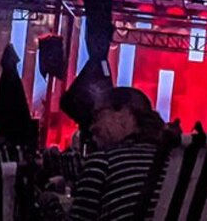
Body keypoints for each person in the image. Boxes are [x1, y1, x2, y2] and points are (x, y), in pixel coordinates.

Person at [68, 87, 166, 221]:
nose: (92, 127)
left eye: (97, 116)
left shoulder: (103, 163)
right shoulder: (170, 163)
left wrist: (51, 204)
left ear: (125, 114)